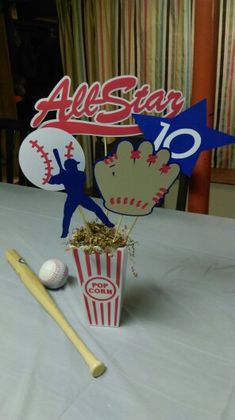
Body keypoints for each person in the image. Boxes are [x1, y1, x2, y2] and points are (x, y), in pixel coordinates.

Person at [49, 149, 114, 238]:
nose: (76, 166)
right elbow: (50, 181)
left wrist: (63, 175)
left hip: (80, 196)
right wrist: (60, 174)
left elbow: (75, 179)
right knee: (67, 216)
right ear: (71, 167)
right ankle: (64, 232)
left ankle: (108, 223)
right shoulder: (67, 175)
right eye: (75, 165)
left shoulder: (80, 174)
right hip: (73, 197)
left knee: (96, 209)